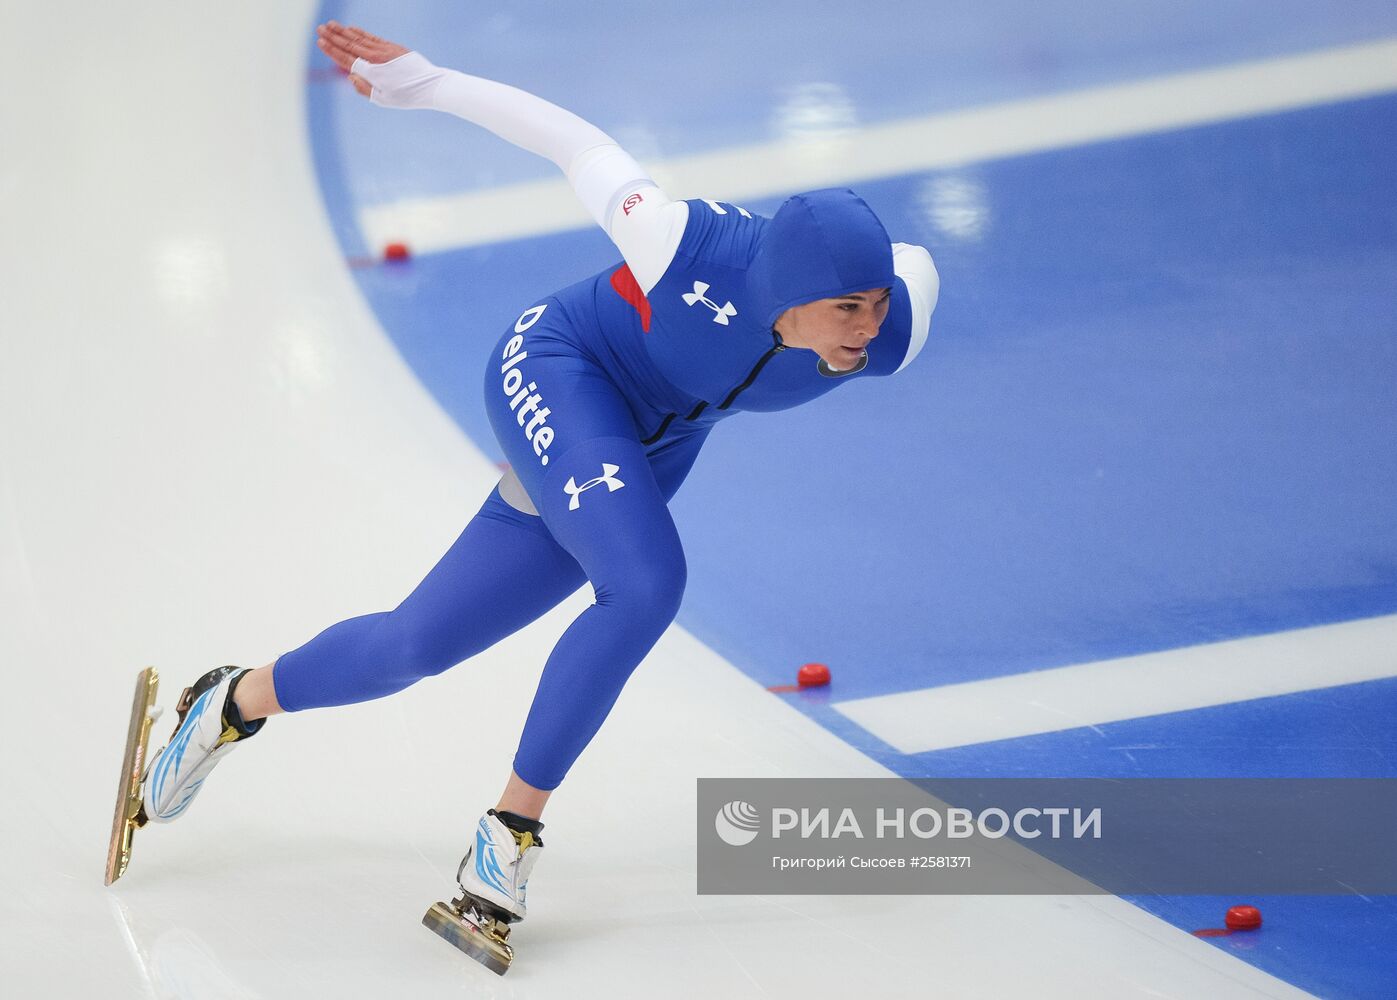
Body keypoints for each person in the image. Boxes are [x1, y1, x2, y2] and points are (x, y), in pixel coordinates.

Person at [136, 19, 938, 971]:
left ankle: (232, 700)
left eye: (877, 304)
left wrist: (881, 306)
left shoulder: (889, 328)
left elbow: (903, 285)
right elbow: (574, 142)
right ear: (792, 289)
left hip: (656, 439)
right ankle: (505, 841)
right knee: (645, 586)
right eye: (848, 308)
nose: (867, 328)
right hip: (563, 370)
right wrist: (424, 83)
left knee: (414, 645)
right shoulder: (681, 244)